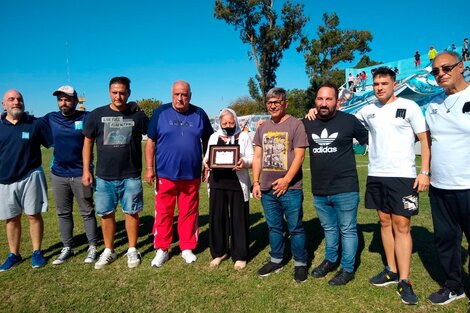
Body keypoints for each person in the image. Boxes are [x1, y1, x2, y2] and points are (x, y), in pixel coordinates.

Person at [355, 67, 431, 305]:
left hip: (403, 177)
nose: (379, 88)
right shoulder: (367, 110)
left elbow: (425, 140)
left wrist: (425, 171)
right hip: (376, 175)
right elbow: (345, 121)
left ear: (394, 84)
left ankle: (404, 280)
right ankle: (391, 270)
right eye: (376, 84)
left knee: (402, 225)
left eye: (384, 83)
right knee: (384, 222)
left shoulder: (410, 107)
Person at [303, 83, 368, 286]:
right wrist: (263, 125)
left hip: (345, 188)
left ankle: (347, 269)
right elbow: (286, 130)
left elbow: (372, 139)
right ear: (315, 101)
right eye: (320, 99)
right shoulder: (307, 122)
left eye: (328, 99)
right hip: (320, 190)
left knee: (347, 230)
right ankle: (331, 260)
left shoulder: (349, 121)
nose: (324, 103)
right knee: (329, 229)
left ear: (337, 101)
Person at [82, 77, 149, 269]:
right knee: (106, 214)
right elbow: (87, 142)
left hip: (131, 174)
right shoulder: (96, 115)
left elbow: (153, 137)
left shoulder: (138, 115)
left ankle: (132, 249)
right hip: (104, 176)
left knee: (132, 213)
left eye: (122, 92)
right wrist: (86, 169)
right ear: (109, 92)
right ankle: (109, 250)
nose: (118, 96)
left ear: (128, 93)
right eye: (114, 92)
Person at [145, 80, 213, 267]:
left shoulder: (199, 114)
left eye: (184, 94)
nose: (180, 98)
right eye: (177, 94)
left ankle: (187, 247)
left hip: (191, 175)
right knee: (164, 212)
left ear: (190, 95)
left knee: (189, 212)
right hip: (166, 174)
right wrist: (150, 169)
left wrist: (207, 165)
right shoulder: (160, 112)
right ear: (171, 95)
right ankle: (162, 248)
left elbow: (209, 139)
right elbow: (150, 142)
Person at [425, 51, 470, 305]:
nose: (441, 74)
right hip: (440, 187)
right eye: (435, 71)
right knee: (445, 240)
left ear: (461, 66)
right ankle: (454, 286)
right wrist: (426, 172)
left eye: (446, 68)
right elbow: (428, 142)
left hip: (468, 185)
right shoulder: (433, 104)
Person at [252, 87, 309, 283]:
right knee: (274, 227)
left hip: (291, 188)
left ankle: (300, 263)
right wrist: (256, 182)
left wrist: (286, 181)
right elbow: (258, 156)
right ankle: (276, 259)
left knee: (295, 228)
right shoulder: (262, 127)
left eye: (277, 102)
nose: (273, 105)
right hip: (267, 188)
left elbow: (300, 156)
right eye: (270, 102)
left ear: (285, 103)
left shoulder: (296, 125)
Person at [43, 85, 99, 265]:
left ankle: (92, 246)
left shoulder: (86, 117)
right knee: (63, 213)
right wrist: (5, 116)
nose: (63, 103)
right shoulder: (50, 118)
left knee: (87, 211)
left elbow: (107, 116)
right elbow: (27, 121)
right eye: (60, 99)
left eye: (67, 99)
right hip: (58, 174)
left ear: (75, 100)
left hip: (82, 174)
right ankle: (67, 246)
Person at [0, 90, 52, 271]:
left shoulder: (35, 124)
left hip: (31, 175)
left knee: (33, 215)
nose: (16, 102)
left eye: (19, 99)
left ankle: (37, 252)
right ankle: (14, 254)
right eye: (11, 99)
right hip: (5, 179)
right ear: (3, 104)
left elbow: (53, 143)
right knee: (11, 218)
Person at [203, 108, 253, 270]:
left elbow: (252, 159)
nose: (228, 125)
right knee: (218, 218)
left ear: (236, 121)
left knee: (239, 219)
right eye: (225, 123)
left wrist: (243, 162)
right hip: (217, 183)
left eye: (231, 122)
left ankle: (240, 254)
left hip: (237, 184)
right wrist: (206, 162)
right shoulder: (214, 137)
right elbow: (207, 157)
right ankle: (219, 252)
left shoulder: (244, 136)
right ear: (220, 123)